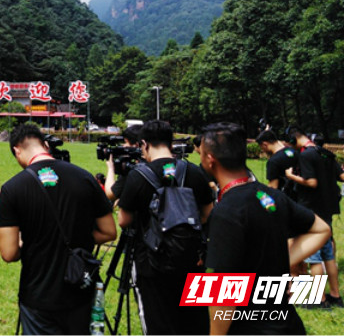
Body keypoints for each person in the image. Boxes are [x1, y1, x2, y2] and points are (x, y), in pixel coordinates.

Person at [200, 122, 331, 333]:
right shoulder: (273, 195)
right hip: (288, 325)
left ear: (209, 158)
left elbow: (225, 291)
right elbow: (322, 229)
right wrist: (279, 263)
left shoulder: (226, 211)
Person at [0, 124, 117, 335]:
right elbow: (109, 232)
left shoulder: (12, 188)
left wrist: (28, 242)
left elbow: (9, 253)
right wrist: (78, 236)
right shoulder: (85, 177)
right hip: (80, 286)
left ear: (17, 150)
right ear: (45, 145)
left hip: (39, 293)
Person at [117, 119, 214, 335]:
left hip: (151, 262)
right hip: (191, 258)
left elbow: (123, 221)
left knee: (158, 322)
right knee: (194, 322)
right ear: (171, 144)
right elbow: (208, 214)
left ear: (144, 144)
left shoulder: (138, 176)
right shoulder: (194, 172)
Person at [284, 126, 342, 307]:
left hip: (311, 212)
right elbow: (341, 176)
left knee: (314, 258)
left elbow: (311, 182)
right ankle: (335, 295)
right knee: (328, 256)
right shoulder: (325, 153)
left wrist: (291, 176)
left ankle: (320, 299)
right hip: (327, 210)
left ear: (294, 141)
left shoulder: (306, 156)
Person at [104, 124, 141, 202]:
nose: (123, 146)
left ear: (136, 145)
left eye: (126, 143)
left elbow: (110, 194)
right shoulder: (168, 164)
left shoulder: (132, 170)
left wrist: (110, 168)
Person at [256, 129, 299, 193]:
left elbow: (273, 188)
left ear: (265, 144)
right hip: (298, 193)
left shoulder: (273, 161)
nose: (263, 150)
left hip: (285, 197)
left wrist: (259, 194)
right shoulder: (292, 151)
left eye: (261, 147)